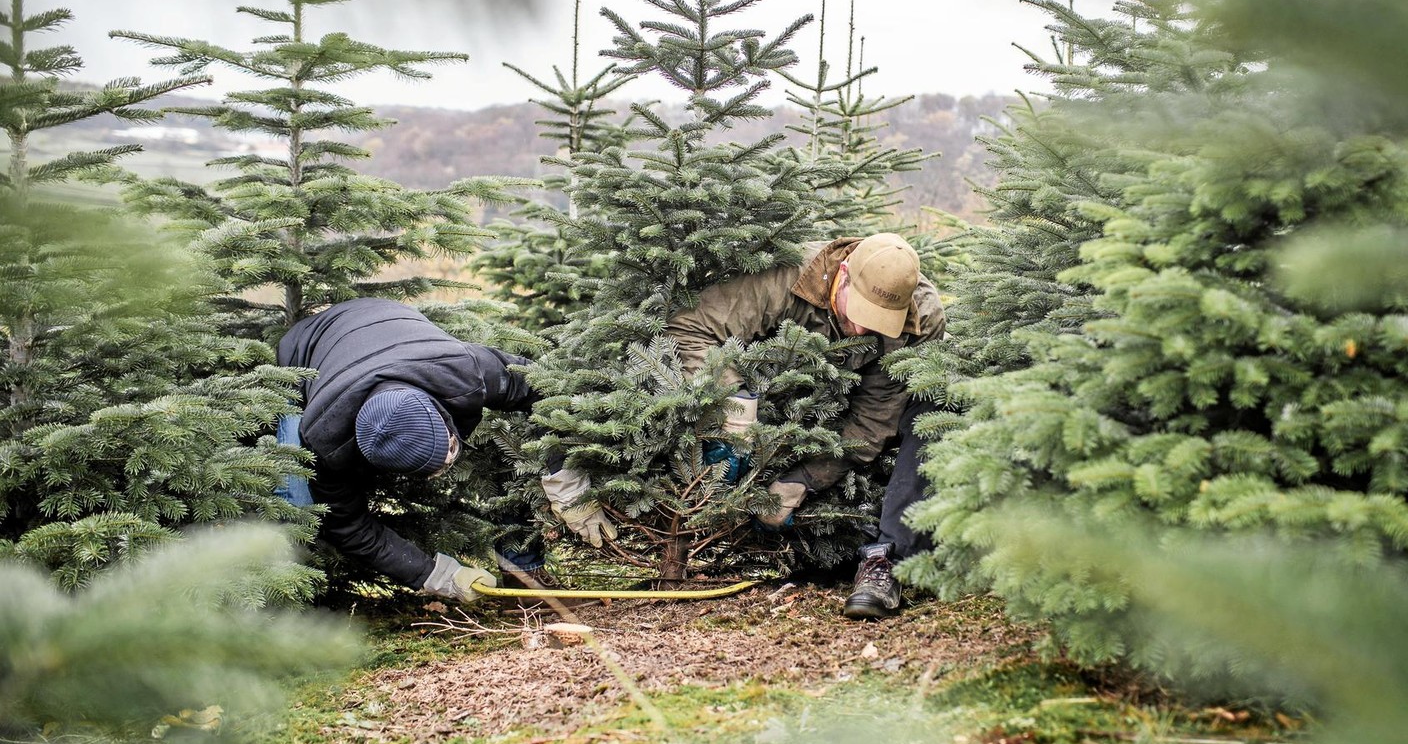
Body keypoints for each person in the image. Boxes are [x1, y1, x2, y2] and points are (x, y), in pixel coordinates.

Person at [541, 233, 946, 619]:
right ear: (843, 275)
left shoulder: (921, 320)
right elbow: (690, 328)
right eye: (858, 314)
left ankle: (885, 561)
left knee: (938, 404)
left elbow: (873, 420)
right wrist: (731, 405)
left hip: (832, 423)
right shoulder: (789, 276)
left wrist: (802, 479)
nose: (861, 331)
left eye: (877, 322)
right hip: (750, 393)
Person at [275, 298, 537, 602]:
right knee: (298, 503)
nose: (448, 468)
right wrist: (436, 575)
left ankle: (525, 573)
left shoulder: (462, 369)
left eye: (451, 450)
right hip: (305, 351)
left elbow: (544, 385)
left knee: (502, 442)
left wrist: (562, 477)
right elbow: (346, 525)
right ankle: (288, 608)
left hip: (388, 317)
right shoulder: (324, 439)